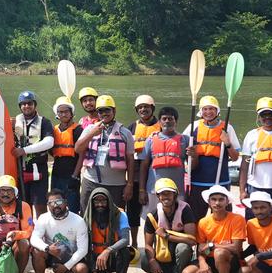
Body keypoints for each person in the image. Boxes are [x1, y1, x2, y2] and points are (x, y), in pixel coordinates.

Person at [181, 185, 246, 273]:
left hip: (231, 260)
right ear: (209, 202)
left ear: (227, 202)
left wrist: (213, 245)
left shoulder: (237, 219)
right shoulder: (203, 222)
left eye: (221, 199)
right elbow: (201, 249)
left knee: (219, 253)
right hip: (211, 259)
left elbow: (236, 248)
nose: (217, 203)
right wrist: (202, 263)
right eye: (214, 199)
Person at [182, 96, 241, 219]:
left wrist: (228, 143)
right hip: (197, 180)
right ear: (200, 111)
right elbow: (180, 143)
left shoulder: (227, 128)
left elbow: (235, 157)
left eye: (211, 109)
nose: (208, 112)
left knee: (222, 217)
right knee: (196, 217)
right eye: (205, 109)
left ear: (217, 111)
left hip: (221, 180)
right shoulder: (193, 126)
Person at [73, 95, 135, 212]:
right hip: (91, 181)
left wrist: (130, 185)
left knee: (115, 217)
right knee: (86, 214)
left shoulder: (125, 133)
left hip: (116, 184)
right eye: (100, 111)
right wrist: (92, 134)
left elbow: (130, 159)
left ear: (114, 111)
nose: (104, 113)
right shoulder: (90, 129)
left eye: (107, 110)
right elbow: (78, 148)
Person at [29, 190, 90, 273]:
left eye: (59, 202)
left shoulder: (78, 221)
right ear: (47, 205)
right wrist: (47, 248)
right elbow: (34, 238)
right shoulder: (43, 218)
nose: (55, 206)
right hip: (51, 255)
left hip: (71, 256)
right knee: (36, 252)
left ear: (66, 202)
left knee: (82, 270)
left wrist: (66, 267)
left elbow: (83, 250)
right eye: (51, 203)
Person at [137, 106, 192, 212]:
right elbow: (144, 166)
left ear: (176, 121)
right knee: (151, 220)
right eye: (164, 119)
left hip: (177, 190)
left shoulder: (185, 140)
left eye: (170, 119)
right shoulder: (151, 139)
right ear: (160, 122)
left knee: (176, 220)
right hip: (153, 190)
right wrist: (141, 190)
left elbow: (192, 167)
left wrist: (194, 156)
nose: (167, 121)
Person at [80, 188, 132, 273]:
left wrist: (108, 250)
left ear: (108, 201)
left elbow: (126, 239)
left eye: (103, 201)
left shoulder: (120, 215)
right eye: (96, 201)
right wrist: (93, 272)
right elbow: (83, 247)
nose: (100, 205)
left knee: (124, 251)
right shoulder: (86, 218)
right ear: (91, 202)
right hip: (94, 260)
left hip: (111, 258)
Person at [126, 95, 160, 247]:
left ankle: (155, 243)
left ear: (152, 108)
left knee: (155, 213)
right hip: (135, 173)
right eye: (140, 107)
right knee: (133, 212)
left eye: (146, 107)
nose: (143, 110)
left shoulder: (161, 126)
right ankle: (134, 244)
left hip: (154, 175)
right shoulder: (131, 127)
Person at [12, 91, 55, 211]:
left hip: (39, 170)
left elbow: (49, 142)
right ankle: (27, 229)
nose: (26, 106)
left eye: (29, 103)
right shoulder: (15, 122)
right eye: (23, 104)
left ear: (34, 105)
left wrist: (24, 150)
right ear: (20, 106)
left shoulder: (45, 122)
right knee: (23, 207)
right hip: (20, 170)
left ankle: (42, 228)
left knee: (40, 205)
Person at [49, 96, 81, 214]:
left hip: (71, 173)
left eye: (66, 111)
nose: (63, 114)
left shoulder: (78, 129)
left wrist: (75, 175)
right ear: (57, 114)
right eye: (60, 112)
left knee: (72, 206)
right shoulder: (54, 130)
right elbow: (51, 150)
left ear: (71, 113)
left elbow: (82, 155)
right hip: (57, 172)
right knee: (56, 203)